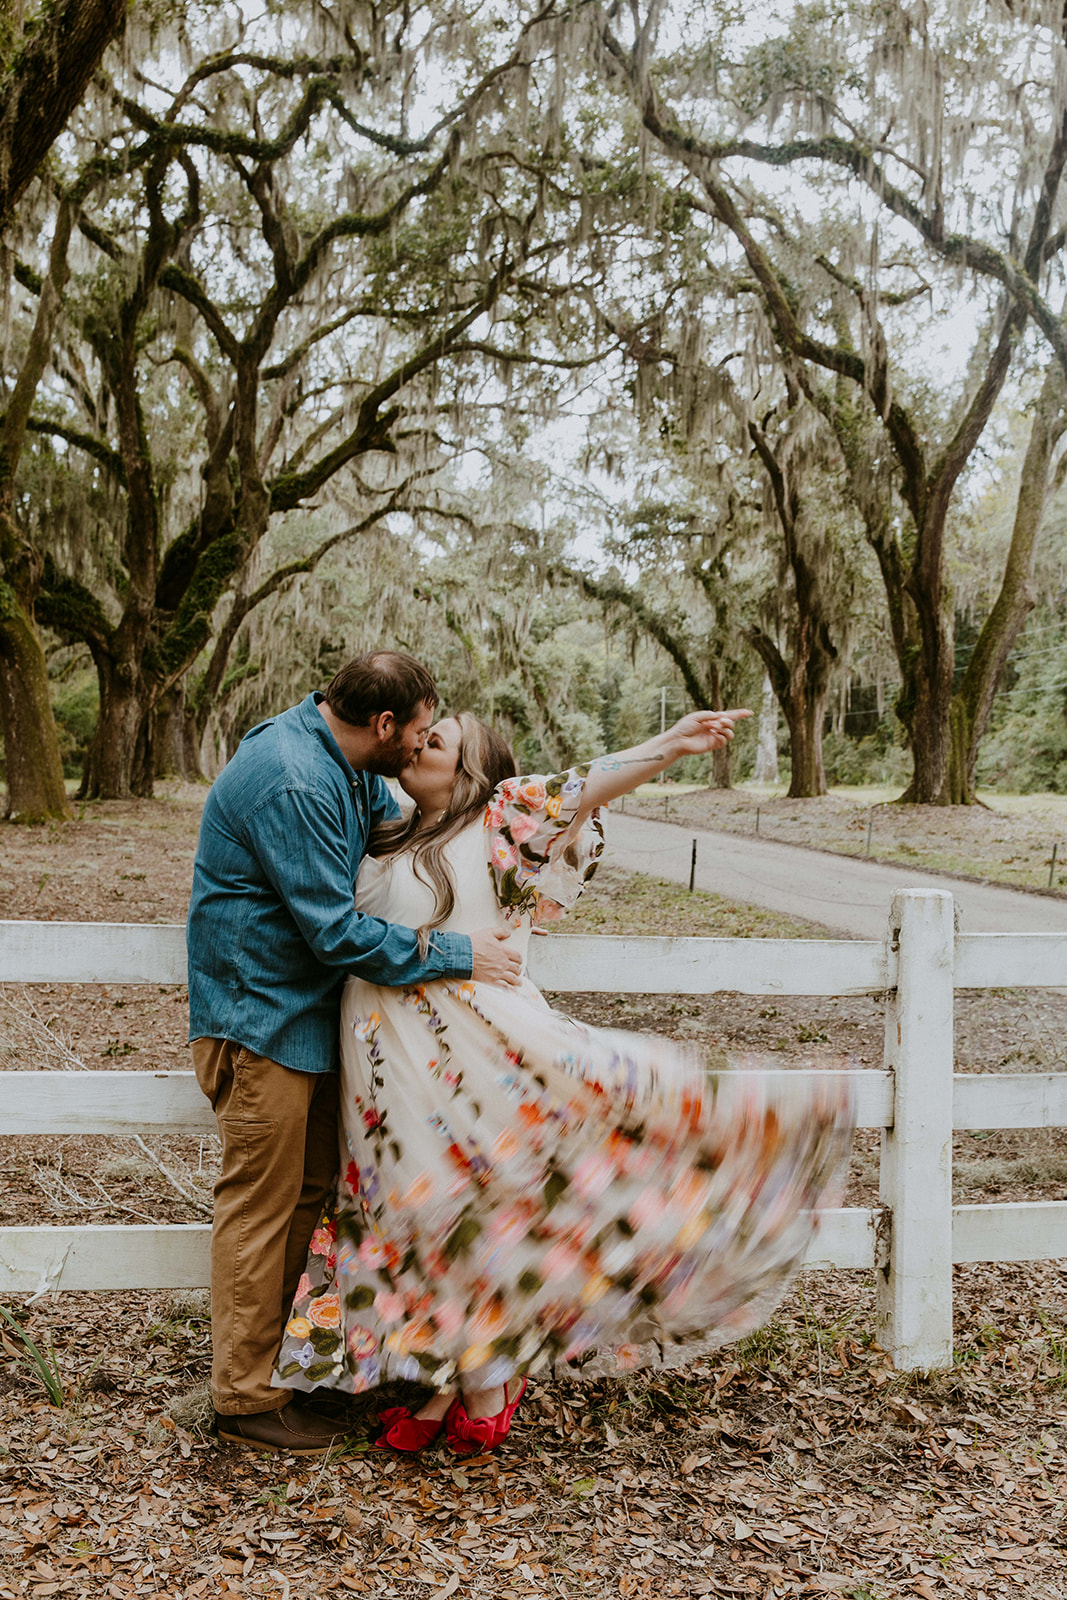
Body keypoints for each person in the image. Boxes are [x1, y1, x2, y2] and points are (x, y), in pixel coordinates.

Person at [276, 707, 853, 1455]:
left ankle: (483, 1375)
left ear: (472, 773)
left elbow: (586, 784)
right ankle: (438, 1376)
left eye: (438, 741)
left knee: (472, 1208)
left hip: (474, 1051)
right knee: (404, 1214)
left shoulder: (500, 819)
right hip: (385, 1073)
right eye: (420, 734)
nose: (417, 744)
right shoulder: (386, 825)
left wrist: (668, 744)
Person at [186, 652, 523, 1454]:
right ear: (381, 725)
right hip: (258, 1021)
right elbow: (334, 931)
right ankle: (242, 1396)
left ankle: (291, 1375)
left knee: (308, 1202)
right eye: (415, 735)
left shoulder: (342, 759)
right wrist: (457, 954)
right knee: (262, 1208)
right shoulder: (296, 778)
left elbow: (403, 817)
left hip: (301, 1022)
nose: (417, 749)